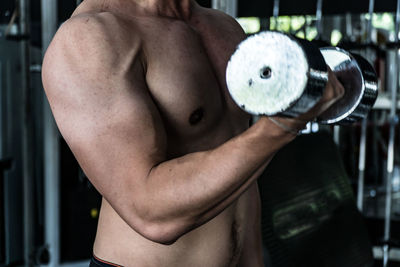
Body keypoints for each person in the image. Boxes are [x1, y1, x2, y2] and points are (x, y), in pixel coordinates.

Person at [42, 0, 344, 266]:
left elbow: (241, 173)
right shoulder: (90, 39)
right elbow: (151, 213)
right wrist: (281, 126)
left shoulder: (224, 28)